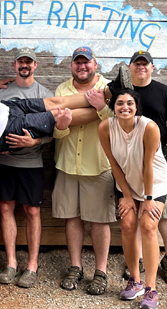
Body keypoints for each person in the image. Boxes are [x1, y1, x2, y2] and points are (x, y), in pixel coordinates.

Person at [52, 46, 117, 295]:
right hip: (68, 164)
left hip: (98, 164)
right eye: (77, 62)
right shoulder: (62, 90)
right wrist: (61, 126)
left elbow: (118, 124)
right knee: (73, 217)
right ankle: (75, 266)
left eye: (86, 62)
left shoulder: (108, 89)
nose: (82, 66)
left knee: (100, 220)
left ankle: (100, 272)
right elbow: (58, 133)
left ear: (95, 64)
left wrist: (101, 107)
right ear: (72, 66)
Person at [99, 88, 167, 309]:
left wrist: (148, 199)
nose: (125, 107)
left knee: (148, 225)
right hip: (127, 181)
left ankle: (151, 289)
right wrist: (127, 196)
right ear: (114, 107)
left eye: (130, 103)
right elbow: (113, 163)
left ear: (136, 107)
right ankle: (135, 281)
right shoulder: (105, 127)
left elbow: (147, 165)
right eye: (119, 103)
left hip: (153, 181)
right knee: (128, 224)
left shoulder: (149, 127)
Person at [0, 48, 54, 288]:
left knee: (32, 211)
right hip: (4, 163)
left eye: (29, 62)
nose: (24, 65)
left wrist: (35, 141)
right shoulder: (0, 94)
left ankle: (32, 265)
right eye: (21, 61)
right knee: (6, 207)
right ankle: (10, 263)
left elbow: (54, 131)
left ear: (35, 65)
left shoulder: (44, 94)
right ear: (14, 65)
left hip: (31, 163)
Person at [122, 51, 167, 285]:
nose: (140, 67)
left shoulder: (165, 93)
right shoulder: (123, 94)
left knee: (165, 214)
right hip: (130, 166)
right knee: (135, 213)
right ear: (129, 67)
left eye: (144, 64)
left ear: (152, 67)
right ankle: (137, 260)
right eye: (136, 64)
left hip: (160, 165)